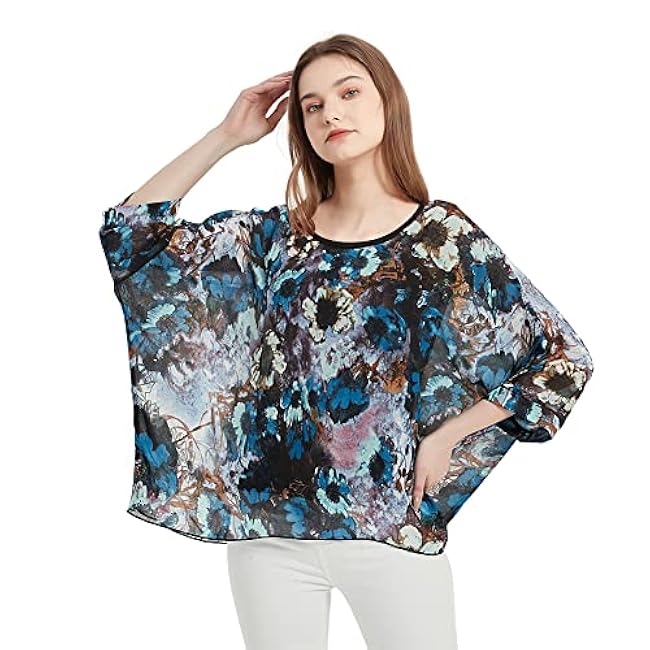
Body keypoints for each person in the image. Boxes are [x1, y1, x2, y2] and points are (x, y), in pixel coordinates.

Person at [98, 33, 595, 650]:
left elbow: (563, 358)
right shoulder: (277, 240)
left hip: (389, 528)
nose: (330, 112)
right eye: (311, 105)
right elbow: (133, 238)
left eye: (349, 93)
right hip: (270, 534)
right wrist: (227, 135)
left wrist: (450, 433)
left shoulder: (440, 239)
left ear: (387, 101)